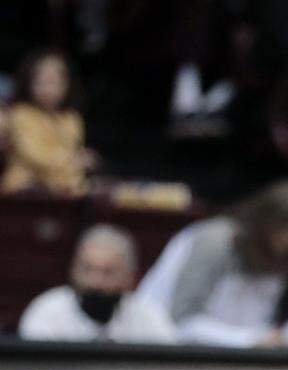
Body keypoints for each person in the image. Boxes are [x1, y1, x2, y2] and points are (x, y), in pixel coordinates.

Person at [137, 179, 288, 347]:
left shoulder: (287, 258)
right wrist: (251, 339)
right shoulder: (215, 242)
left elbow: (259, 322)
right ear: (277, 224)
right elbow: (180, 320)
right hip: (159, 348)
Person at [19, 224, 176, 344]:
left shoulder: (147, 315)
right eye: (87, 270)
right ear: (73, 271)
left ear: (129, 278)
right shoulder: (47, 312)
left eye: (108, 272)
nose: (96, 282)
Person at [1, 49, 97, 195]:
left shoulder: (71, 119)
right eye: (40, 81)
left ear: (66, 84)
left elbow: (73, 150)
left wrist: (81, 160)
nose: (47, 89)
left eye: (53, 82)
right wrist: (72, 161)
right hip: (25, 188)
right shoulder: (20, 115)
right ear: (29, 82)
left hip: (63, 185)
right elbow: (34, 155)